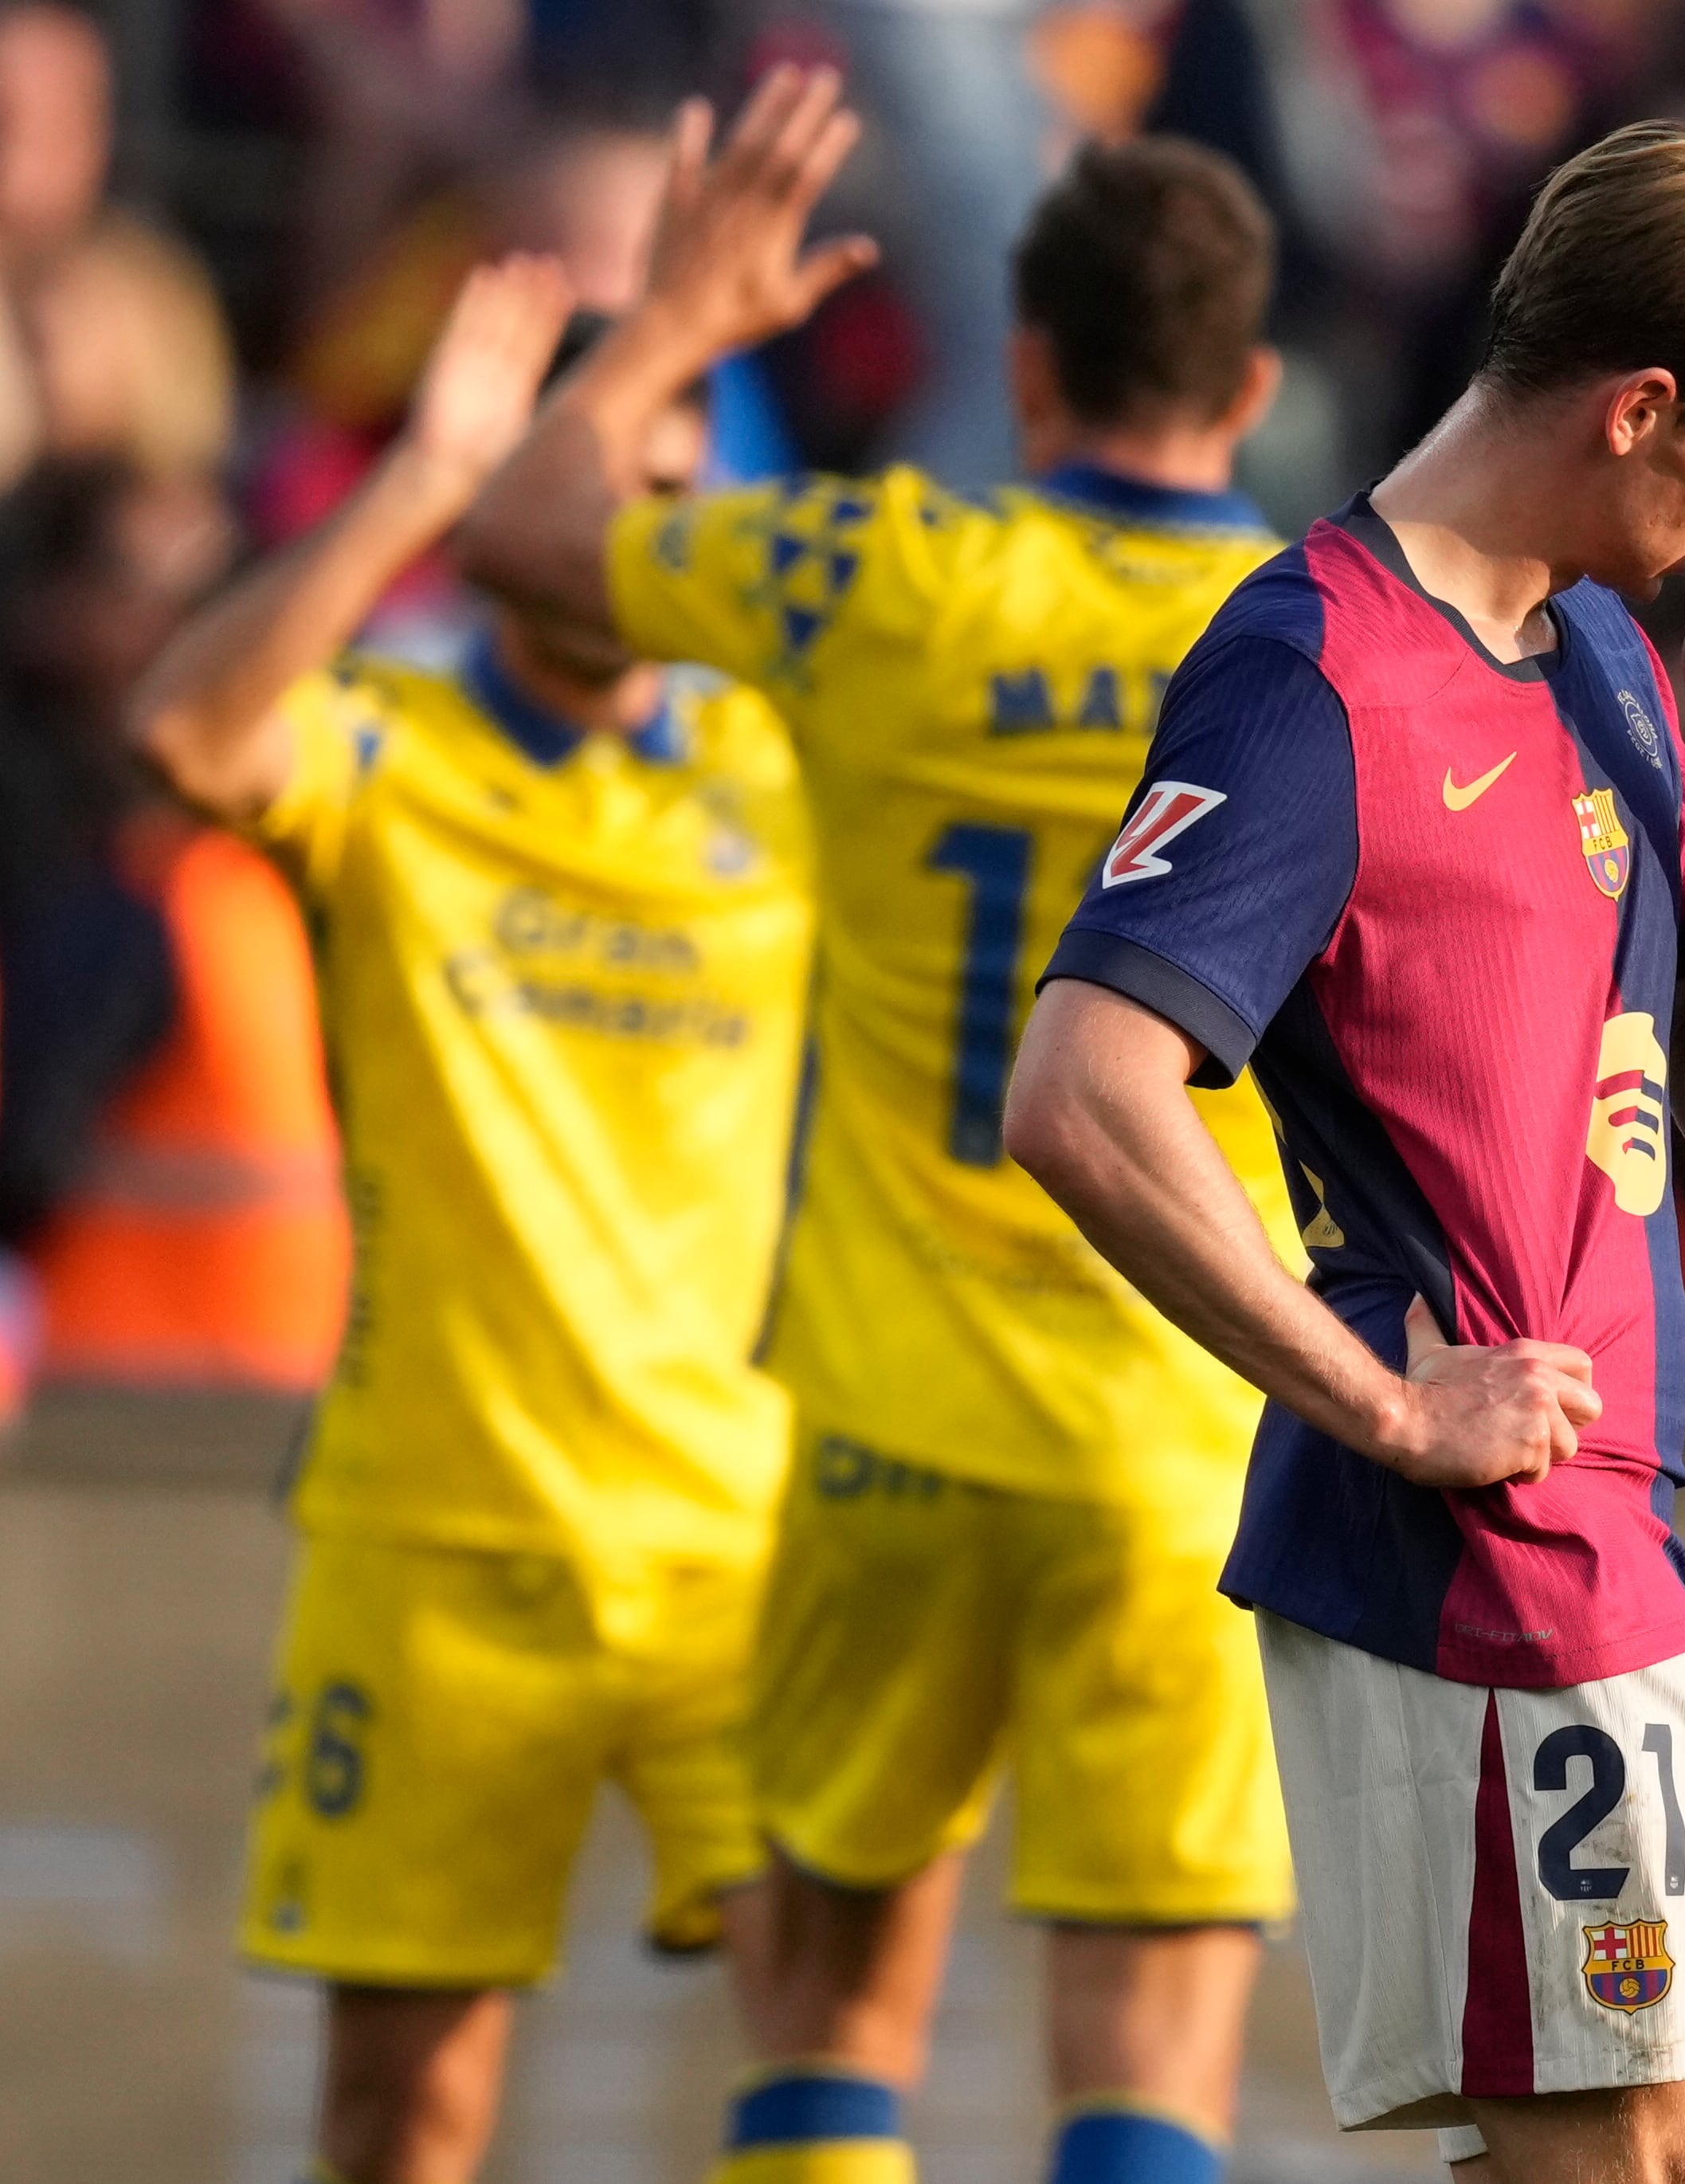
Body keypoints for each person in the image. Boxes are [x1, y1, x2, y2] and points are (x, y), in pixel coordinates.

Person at [1001, 120, 1685, 2183]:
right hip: (1488, 1555)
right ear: (1641, 408)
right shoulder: (1315, 669)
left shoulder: (1606, 653)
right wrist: (1394, 1403)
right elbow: (1081, 1089)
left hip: (1604, 1530)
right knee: (1651, 2154)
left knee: (1592, 2152)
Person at [460, 69, 1301, 2184]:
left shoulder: (879, 572)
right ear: (1259, 382)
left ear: (1022, 363)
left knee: (832, 2022)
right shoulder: (1332, 645)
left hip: (883, 1417)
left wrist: (675, 324)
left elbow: (530, 536)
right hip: (1188, 1432)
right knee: (1147, 2056)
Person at [131, 257, 816, 2184]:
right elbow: (184, 735)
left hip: (730, 1547)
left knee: (824, 2048)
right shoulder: (382, 749)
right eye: (590, 494)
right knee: (400, 2116)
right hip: (439, 1549)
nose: (626, 543)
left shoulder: (779, 769)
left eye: (668, 498)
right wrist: (424, 472)